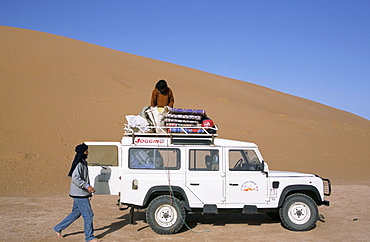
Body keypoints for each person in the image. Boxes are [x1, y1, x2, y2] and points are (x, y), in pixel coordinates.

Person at [54, 143, 102, 242]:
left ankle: (58, 228)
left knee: (76, 213)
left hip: (81, 193)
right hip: (80, 194)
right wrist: (87, 186)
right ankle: (89, 237)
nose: (87, 153)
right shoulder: (79, 164)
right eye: (86, 151)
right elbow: (75, 178)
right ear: (82, 152)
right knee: (88, 215)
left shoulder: (83, 162)